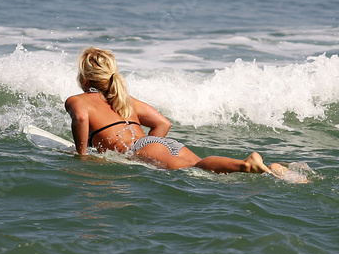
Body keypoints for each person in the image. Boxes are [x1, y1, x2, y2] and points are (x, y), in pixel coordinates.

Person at [64, 47, 288, 175]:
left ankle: (246, 164)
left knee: (196, 167)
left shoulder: (78, 100)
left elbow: (82, 118)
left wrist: (81, 155)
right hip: (159, 145)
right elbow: (163, 124)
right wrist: (151, 145)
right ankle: (272, 171)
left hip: (141, 148)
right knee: (203, 169)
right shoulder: (124, 99)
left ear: (84, 79)